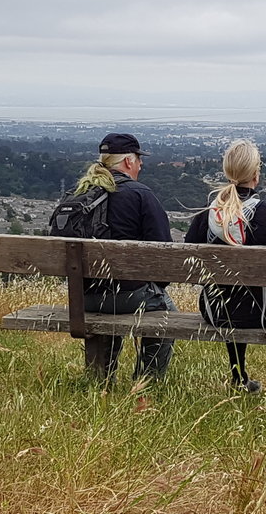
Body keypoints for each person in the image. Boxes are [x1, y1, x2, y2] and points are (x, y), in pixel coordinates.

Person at [185, 139, 266, 393]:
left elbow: (191, 271)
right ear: (256, 175)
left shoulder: (207, 216)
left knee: (230, 299)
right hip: (264, 311)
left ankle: (239, 377)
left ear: (228, 173)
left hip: (215, 310)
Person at [77, 132, 176, 383]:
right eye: (139, 160)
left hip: (83, 298)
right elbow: (166, 254)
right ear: (129, 162)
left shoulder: (79, 193)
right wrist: (155, 288)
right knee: (167, 314)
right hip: (129, 296)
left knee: (111, 305)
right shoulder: (141, 195)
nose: (141, 165)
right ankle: (145, 384)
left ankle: (100, 379)